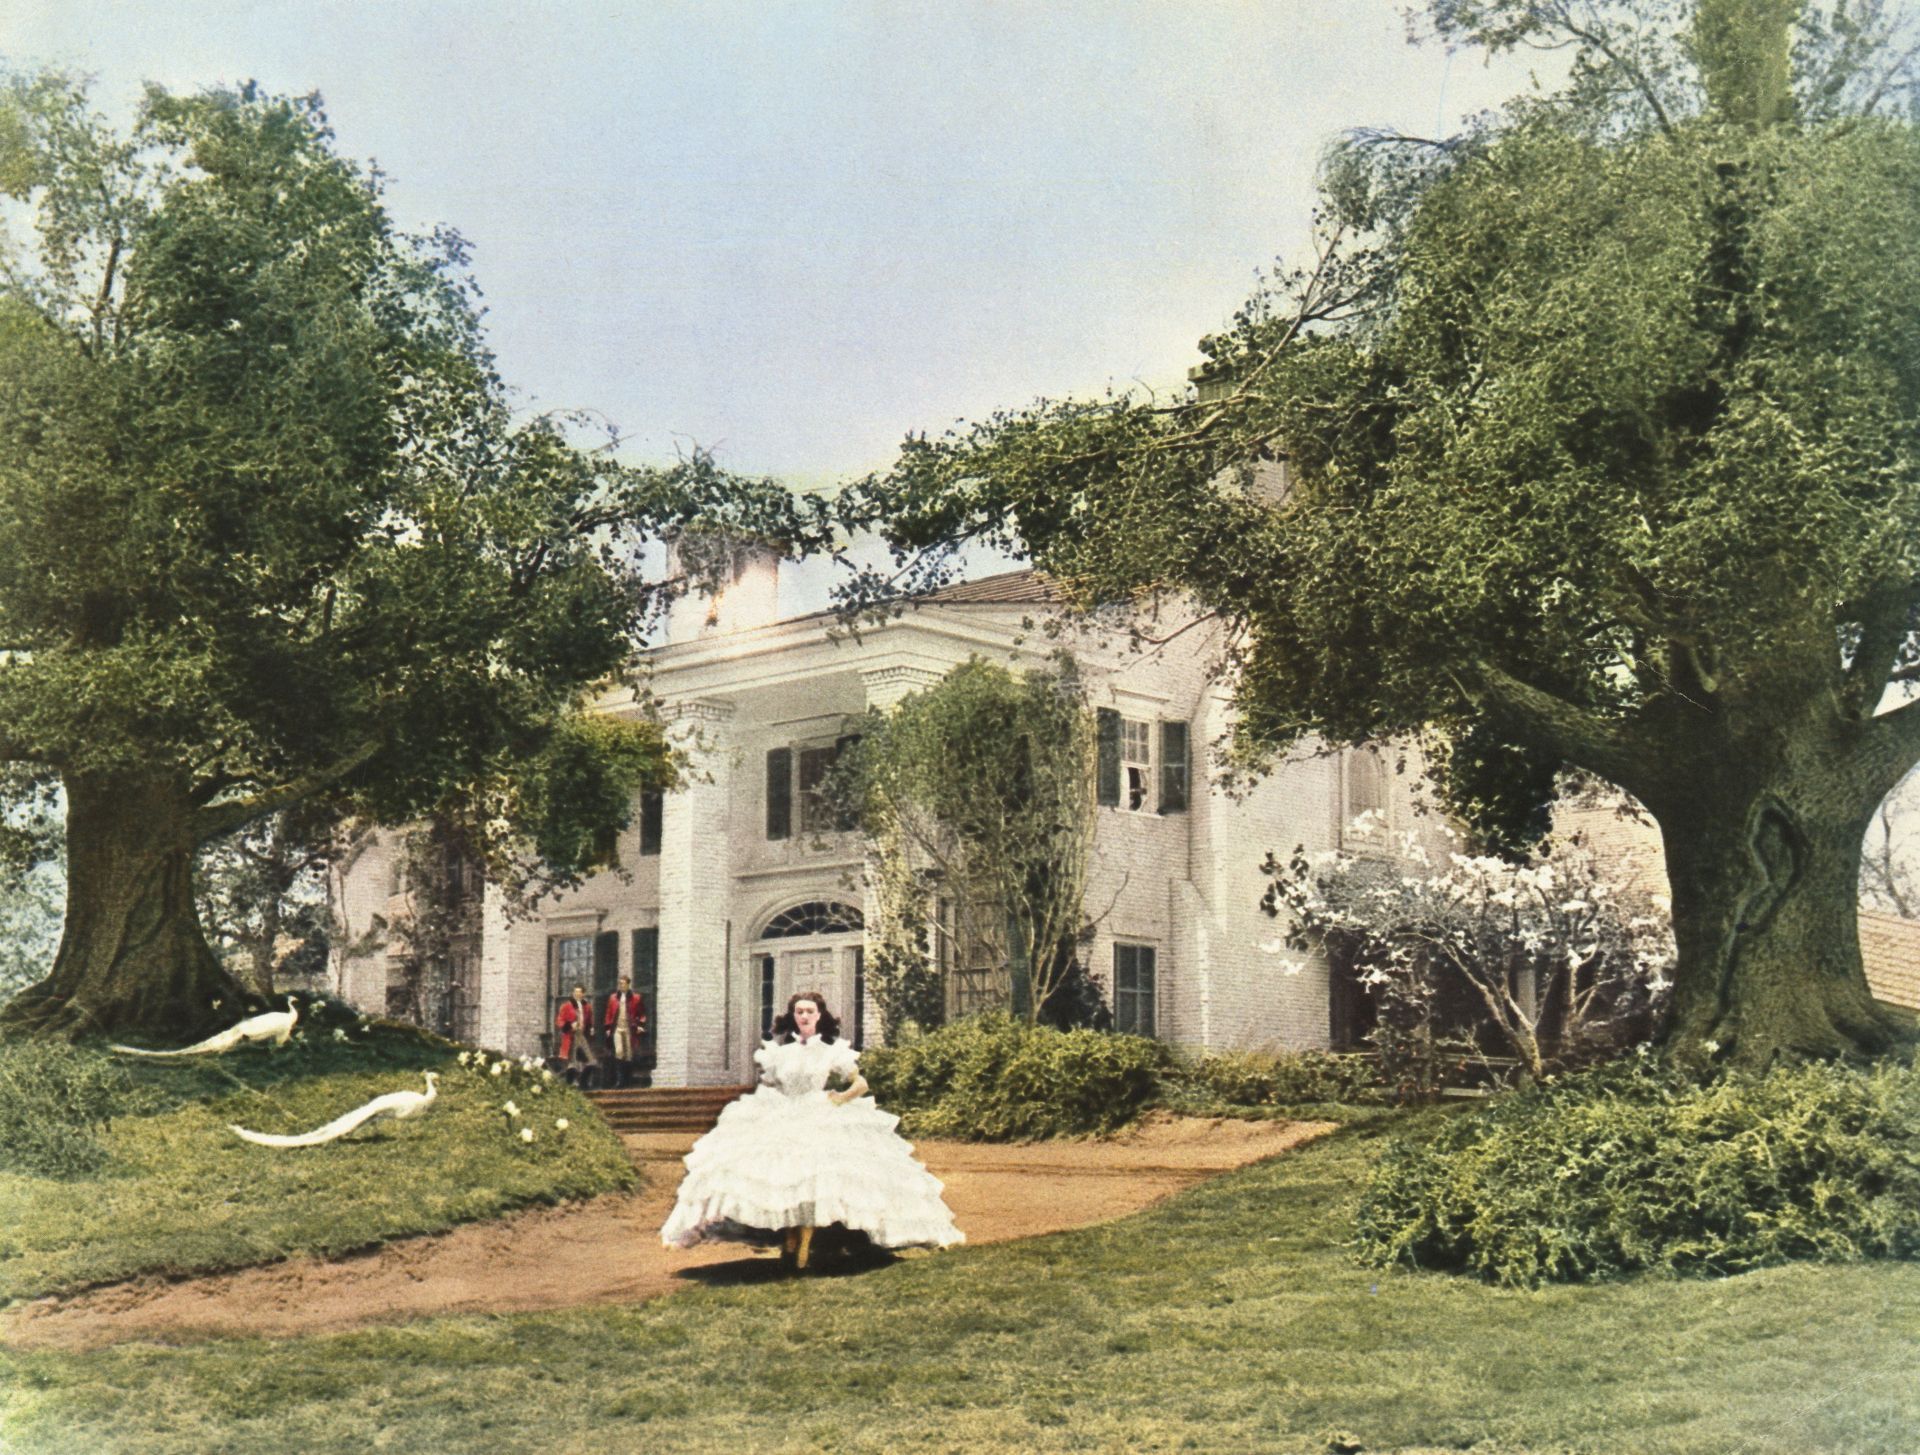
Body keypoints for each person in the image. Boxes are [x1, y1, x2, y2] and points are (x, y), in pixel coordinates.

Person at [661, 990, 963, 1269]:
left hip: (820, 1111)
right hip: (787, 1112)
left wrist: (840, 1099)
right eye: (799, 1011)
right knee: (785, 1179)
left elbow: (861, 1084)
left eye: (810, 1011)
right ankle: (790, 1241)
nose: (804, 1016)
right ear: (793, 1016)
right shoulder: (780, 1052)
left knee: (817, 1177)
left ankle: (805, 1244)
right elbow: (772, 1085)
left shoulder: (831, 1051)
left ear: (820, 1016)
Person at [602, 974, 648, 1088]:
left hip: (629, 1028)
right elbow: (608, 1014)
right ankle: (619, 1080)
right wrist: (608, 1027)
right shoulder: (613, 998)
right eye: (619, 983)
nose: (620, 985)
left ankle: (627, 1081)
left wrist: (640, 1025)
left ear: (628, 984)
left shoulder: (636, 998)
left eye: (623, 983)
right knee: (619, 1052)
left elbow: (642, 1014)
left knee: (628, 1054)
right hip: (617, 1028)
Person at [555, 984, 599, 1087]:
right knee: (572, 1061)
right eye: (575, 992)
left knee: (591, 1061)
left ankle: (583, 1082)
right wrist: (569, 1025)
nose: (577, 994)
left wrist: (591, 1028)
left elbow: (589, 1020)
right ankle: (570, 1084)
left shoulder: (587, 1006)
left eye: (579, 992)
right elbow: (559, 1020)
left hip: (581, 1035)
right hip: (570, 1036)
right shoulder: (567, 1006)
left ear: (583, 993)